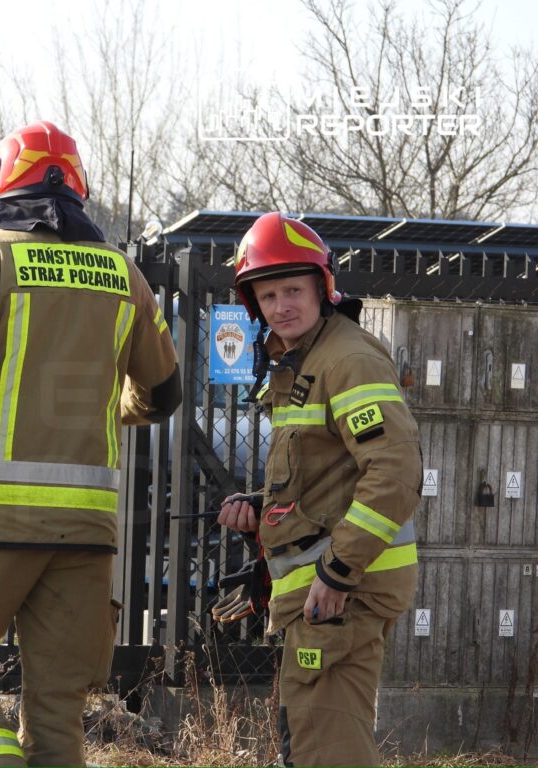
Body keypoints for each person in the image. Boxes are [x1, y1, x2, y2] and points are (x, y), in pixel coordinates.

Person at [0, 121, 181, 767]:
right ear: (77, 189)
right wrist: (108, 409)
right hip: (87, 532)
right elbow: (163, 395)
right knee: (57, 709)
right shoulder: (124, 275)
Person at [217, 212, 420, 766]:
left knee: (327, 754)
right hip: (325, 598)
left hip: (343, 595)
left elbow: (394, 472)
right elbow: (331, 478)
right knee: (308, 745)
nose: (281, 305)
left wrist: (338, 572)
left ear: (322, 286)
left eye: (293, 290)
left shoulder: (346, 360)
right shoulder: (304, 360)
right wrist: (264, 510)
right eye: (267, 295)